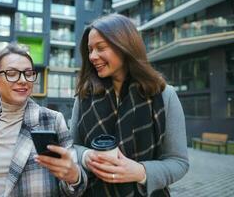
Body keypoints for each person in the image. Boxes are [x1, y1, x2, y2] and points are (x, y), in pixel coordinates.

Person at [70, 14, 189, 197]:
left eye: (100, 47)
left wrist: (141, 171)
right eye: (90, 50)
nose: (93, 56)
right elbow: (72, 147)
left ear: (124, 46)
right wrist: (87, 157)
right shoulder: (84, 96)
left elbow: (179, 162)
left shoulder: (165, 95)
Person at [0, 44, 87, 197]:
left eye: (28, 73)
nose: (23, 80)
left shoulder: (51, 120)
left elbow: (74, 184)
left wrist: (74, 177)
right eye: (12, 73)